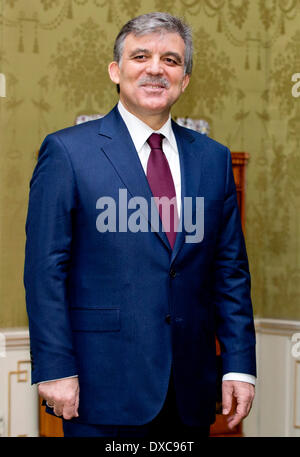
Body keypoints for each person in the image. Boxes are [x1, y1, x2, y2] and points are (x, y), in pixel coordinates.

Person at [24, 12, 256, 438]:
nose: (155, 68)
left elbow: (230, 274)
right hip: (99, 387)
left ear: (184, 79)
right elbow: (45, 271)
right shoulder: (67, 152)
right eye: (141, 56)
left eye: (170, 60)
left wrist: (240, 365)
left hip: (190, 390)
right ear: (116, 70)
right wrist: (55, 367)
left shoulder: (214, 159)